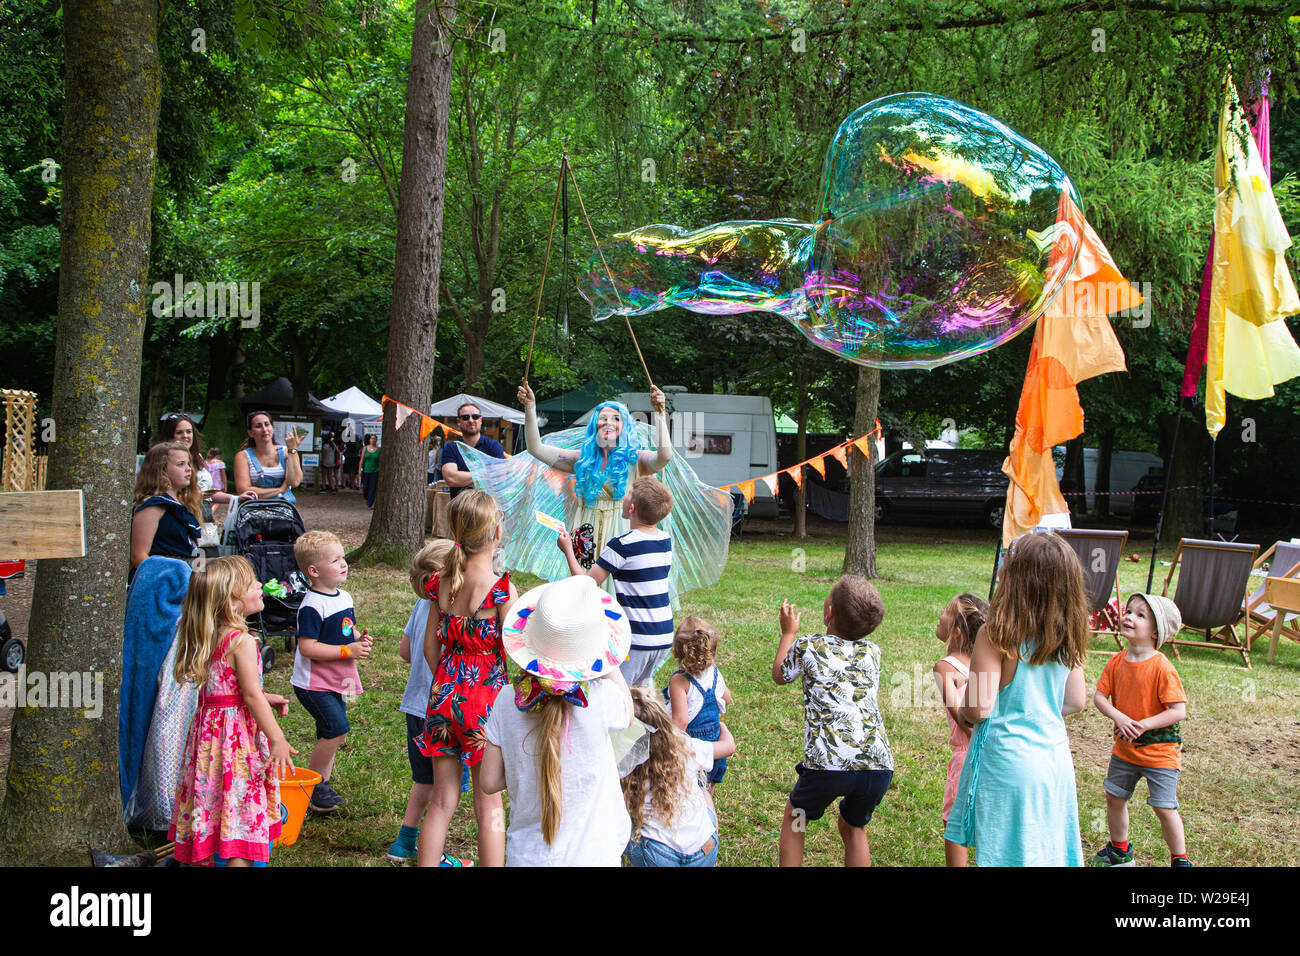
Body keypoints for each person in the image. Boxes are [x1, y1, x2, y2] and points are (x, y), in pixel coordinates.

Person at [945, 532, 1090, 867]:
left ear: (1017, 578)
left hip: (1008, 764)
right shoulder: (1067, 633)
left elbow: (979, 708)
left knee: (1008, 855)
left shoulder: (995, 632)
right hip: (1054, 763)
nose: (1000, 568)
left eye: (1006, 561)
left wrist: (964, 702)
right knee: (1044, 852)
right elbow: (1076, 700)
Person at [479, 573, 635, 866]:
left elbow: (488, 781)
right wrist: (608, 655)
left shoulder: (505, 701)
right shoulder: (601, 701)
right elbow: (628, 712)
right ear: (591, 652)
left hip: (527, 858)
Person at [168, 555, 297, 866]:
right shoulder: (242, 640)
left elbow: (227, 689)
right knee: (239, 816)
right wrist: (277, 738)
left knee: (211, 808)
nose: (259, 586)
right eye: (252, 583)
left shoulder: (209, 635)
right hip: (235, 745)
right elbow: (249, 695)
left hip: (207, 745)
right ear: (232, 599)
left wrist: (267, 697)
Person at [415, 490, 517, 867]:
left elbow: (429, 649)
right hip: (485, 705)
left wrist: (448, 681)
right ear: (495, 533)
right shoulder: (501, 589)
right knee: (488, 804)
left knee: (442, 800)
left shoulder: (440, 583)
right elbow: (513, 654)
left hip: (443, 696)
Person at [772, 576, 894, 867]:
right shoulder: (873, 652)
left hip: (829, 764)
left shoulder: (808, 646)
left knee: (795, 816)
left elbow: (780, 674)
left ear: (829, 614)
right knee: (854, 826)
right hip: (877, 766)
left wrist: (788, 633)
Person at [386, 538, 471, 868]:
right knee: (445, 794)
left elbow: (405, 652)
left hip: (415, 707)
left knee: (424, 780)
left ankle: (404, 841)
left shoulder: (421, 605)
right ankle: (434, 856)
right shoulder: (456, 610)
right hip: (444, 712)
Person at [1090, 593, 1191, 867]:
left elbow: (1178, 710)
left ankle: (1180, 859)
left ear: (1156, 631)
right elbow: (1099, 697)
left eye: (1139, 615)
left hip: (1160, 755)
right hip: (1125, 751)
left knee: (1163, 806)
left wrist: (1143, 724)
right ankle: (1120, 851)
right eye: (1128, 611)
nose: (1128, 617)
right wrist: (1118, 716)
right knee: (1114, 797)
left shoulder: (1162, 667)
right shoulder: (1116, 661)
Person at [518, 383, 670, 560]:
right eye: (603, 418)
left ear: (625, 427)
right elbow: (535, 448)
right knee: (585, 581)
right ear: (594, 425)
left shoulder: (635, 459)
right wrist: (530, 407)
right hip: (585, 530)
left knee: (615, 583)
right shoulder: (581, 459)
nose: (608, 423)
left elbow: (664, 456)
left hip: (621, 530)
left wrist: (660, 413)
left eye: (616, 419)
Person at [559, 476, 674, 686]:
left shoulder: (622, 545)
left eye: (627, 494)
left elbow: (586, 584)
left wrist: (568, 550)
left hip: (638, 638)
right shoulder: (665, 541)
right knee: (641, 694)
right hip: (664, 635)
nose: (622, 496)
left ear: (632, 509)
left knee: (619, 694)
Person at [290, 530, 372, 814]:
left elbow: (345, 628)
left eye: (343, 558)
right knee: (336, 729)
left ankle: (321, 786)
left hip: (336, 680)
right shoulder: (313, 605)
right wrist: (347, 651)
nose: (344, 563)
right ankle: (311, 787)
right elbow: (308, 648)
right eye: (335, 560)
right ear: (313, 571)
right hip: (313, 683)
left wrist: (358, 638)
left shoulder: (343, 596)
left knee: (330, 731)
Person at [622, 687, 735, 867]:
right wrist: (722, 727)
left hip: (658, 856)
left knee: (618, 818)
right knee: (704, 791)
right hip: (705, 849)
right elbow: (728, 747)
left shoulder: (624, 762)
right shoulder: (684, 744)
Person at [932, 592, 988, 868]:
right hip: (992, 753)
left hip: (967, 757)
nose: (939, 614)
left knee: (954, 826)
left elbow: (962, 718)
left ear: (956, 631)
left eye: (945, 611)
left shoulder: (945, 668)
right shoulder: (989, 666)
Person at [665, 616, 732, 797]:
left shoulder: (679, 681)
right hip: (716, 748)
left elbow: (681, 722)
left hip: (693, 749)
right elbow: (727, 697)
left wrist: (664, 744)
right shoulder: (715, 673)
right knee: (706, 795)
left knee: (687, 795)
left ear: (676, 652)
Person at [130, 442, 202, 577]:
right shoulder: (153, 505)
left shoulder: (182, 503)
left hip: (186, 576)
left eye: (188, 464)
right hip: (162, 583)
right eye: (180, 464)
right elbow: (139, 556)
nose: (188, 469)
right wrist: (169, 581)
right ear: (161, 469)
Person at [233, 410, 303, 505]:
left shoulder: (286, 451)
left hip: (284, 510)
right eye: (258, 426)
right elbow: (244, 490)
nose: (264, 429)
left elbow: (294, 482)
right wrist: (280, 490)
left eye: (267, 424)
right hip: (255, 510)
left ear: (272, 428)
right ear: (250, 433)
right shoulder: (243, 456)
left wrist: (293, 450)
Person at [439, 401, 504, 498]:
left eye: (475, 417)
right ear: (459, 421)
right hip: (459, 508)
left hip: (489, 509)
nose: (471, 420)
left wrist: (462, 479)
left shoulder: (493, 446)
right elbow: (450, 478)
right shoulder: (452, 448)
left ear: (480, 420)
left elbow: (501, 478)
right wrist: (487, 476)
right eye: (465, 417)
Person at [360, 435, 381, 508]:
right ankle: (366, 497)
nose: (373, 440)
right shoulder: (365, 449)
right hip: (366, 470)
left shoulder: (378, 449)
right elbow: (362, 460)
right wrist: (360, 469)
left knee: (372, 487)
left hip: (375, 471)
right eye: (372, 438)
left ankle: (370, 503)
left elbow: (380, 461)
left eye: (375, 438)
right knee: (365, 486)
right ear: (369, 440)